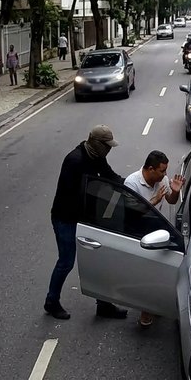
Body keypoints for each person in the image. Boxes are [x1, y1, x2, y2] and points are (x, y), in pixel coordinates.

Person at [44, 125, 129, 321]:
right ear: (96, 143)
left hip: (86, 217)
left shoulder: (97, 157)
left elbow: (110, 176)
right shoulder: (74, 160)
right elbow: (72, 195)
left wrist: (131, 185)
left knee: (97, 260)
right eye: (107, 146)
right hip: (65, 217)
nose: (109, 150)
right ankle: (51, 301)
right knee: (66, 262)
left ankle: (104, 304)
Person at [124, 150, 185, 328]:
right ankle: (146, 309)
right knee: (145, 273)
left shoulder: (162, 181)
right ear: (150, 169)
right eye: (162, 171)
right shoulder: (132, 183)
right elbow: (131, 213)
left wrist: (174, 192)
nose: (165, 175)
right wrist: (152, 202)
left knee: (161, 270)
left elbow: (171, 201)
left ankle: (156, 303)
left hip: (160, 229)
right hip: (139, 233)